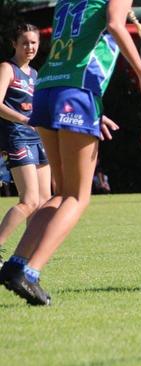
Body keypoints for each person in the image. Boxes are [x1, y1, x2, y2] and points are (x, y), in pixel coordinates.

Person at [0, 1, 141, 306]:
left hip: (48, 87)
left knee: (61, 193)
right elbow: (116, 25)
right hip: (76, 91)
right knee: (78, 196)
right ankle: (30, 272)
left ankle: (16, 264)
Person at [0, 24, 51, 260]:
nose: (30, 47)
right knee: (29, 201)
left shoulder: (35, 75)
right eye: (24, 43)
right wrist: (23, 118)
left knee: (43, 203)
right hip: (17, 136)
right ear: (14, 44)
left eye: (34, 43)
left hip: (38, 139)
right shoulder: (7, 69)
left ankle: (24, 257)